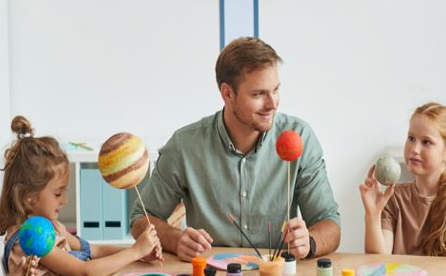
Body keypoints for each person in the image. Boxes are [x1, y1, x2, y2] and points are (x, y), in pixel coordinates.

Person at [130, 37, 341, 262]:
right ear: (227, 93)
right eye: (258, 94)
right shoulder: (185, 146)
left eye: (276, 90)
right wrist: (176, 239)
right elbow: (140, 218)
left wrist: (309, 241)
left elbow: (330, 223)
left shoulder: (300, 138)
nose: (273, 104)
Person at [0, 116, 161, 276]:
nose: (64, 200)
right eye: (58, 193)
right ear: (29, 196)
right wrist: (135, 252)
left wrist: (137, 251)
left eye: (65, 191)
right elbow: (85, 271)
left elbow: (92, 249)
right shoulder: (31, 239)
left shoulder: (51, 225)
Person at [359, 102, 446, 258]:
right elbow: (377, 261)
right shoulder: (394, 197)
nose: (414, 149)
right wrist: (372, 214)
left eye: (426, 142)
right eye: (411, 138)